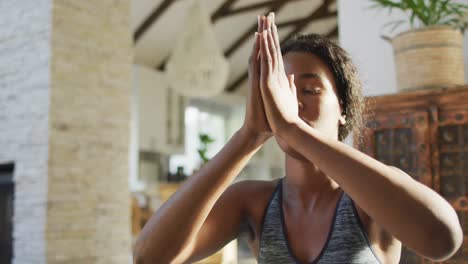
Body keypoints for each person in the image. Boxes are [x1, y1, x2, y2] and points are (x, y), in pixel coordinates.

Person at [133, 13, 463, 264]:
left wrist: (292, 127)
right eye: (280, 93)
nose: (291, 104)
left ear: (343, 108)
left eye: (308, 90)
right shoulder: (253, 202)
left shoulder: (369, 195)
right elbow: (150, 256)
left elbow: (442, 240)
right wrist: (248, 135)